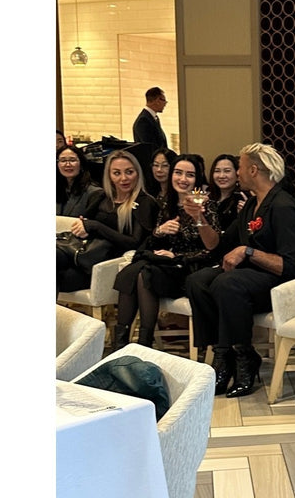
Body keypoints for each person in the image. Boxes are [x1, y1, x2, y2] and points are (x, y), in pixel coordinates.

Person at [183, 143, 295, 398]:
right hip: (247, 278)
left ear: (253, 170)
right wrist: (199, 219)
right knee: (197, 280)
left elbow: (292, 265)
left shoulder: (283, 206)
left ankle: (243, 357)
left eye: (239, 167)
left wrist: (248, 252)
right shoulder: (251, 205)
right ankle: (222, 353)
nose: (237, 173)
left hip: (277, 282)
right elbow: (218, 246)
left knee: (227, 283)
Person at [112, 155, 219, 348]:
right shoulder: (166, 203)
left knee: (144, 274)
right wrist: (160, 231)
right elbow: (153, 243)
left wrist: (177, 255)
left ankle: (144, 342)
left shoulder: (206, 205)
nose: (183, 179)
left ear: (197, 179)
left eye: (190, 175)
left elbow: (212, 250)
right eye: (178, 173)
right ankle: (121, 341)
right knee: (134, 272)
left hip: (192, 270)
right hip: (168, 267)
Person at [56, 150, 159, 293]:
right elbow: (85, 223)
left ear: (138, 173)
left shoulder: (145, 202)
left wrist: (96, 227)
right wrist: (84, 227)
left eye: (129, 172)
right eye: (116, 173)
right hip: (81, 254)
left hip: (107, 264)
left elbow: (134, 242)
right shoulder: (102, 197)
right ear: (109, 176)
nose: (124, 178)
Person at [57, 146, 102, 217]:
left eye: (72, 160)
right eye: (63, 160)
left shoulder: (94, 193)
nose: (67, 164)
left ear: (81, 164)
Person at [207, 153, 245, 230]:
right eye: (217, 171)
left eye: (227, 171)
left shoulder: (242, 199)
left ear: (237, 174)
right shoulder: (208, 198)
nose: (221, 176)